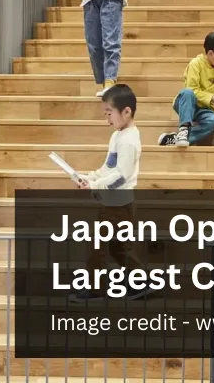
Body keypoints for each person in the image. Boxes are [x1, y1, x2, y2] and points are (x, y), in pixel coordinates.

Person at [69, 84, 148, 302]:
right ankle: (140, 281)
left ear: (126, 111)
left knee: (99, 244)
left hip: (119, 203)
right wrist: (91, 177)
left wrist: (96, 186)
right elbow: (108, 168)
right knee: (117, 246)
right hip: (112, 201)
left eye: (109, 113)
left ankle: (96, 289)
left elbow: (121, 175)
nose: (107, 118)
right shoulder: (118, 136)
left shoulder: (130, 140)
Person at [158, 30, 214, 147]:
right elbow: (192, 90)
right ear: (210, 54)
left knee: (213, 121)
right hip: (187, 105)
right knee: (187, 92)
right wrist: (213, 97)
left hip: (205, 110)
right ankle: (183, 129)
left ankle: (177, 139)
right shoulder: (196, 64)